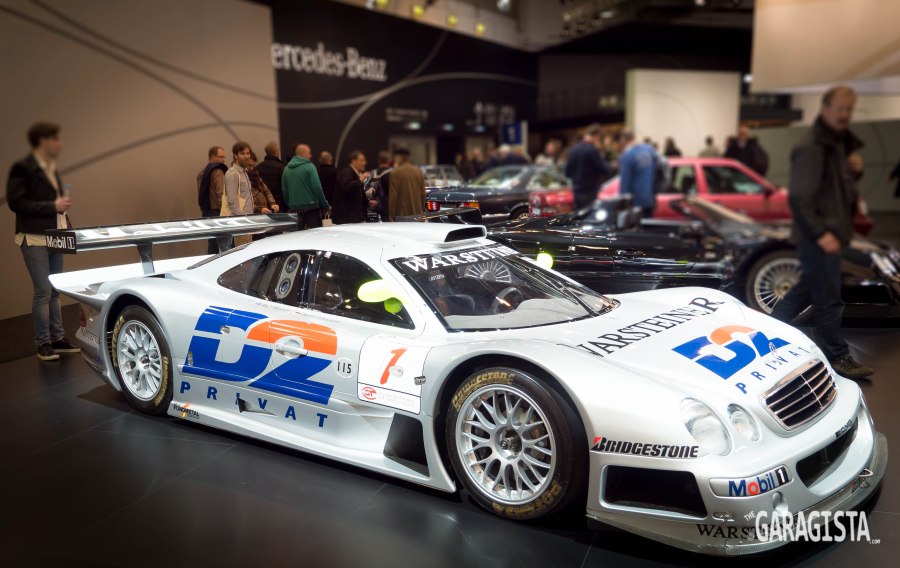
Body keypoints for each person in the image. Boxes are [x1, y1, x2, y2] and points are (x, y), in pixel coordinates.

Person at [770, 86, 873, 380]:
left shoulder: (834, 144)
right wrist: (820, 234)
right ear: (825, 108)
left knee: (805, 290)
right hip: (819, 237)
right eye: (840, 108)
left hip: (829, 235)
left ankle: (768, 332)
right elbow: (799, 197)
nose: (845, 115)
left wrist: (855, 172)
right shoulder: (813, 146)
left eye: (849, 109)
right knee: (829, 298)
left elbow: (834, 189)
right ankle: (837, 356)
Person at [6, 122, 79, 361]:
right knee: (43, 291)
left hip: (56, 235)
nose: (59, 143)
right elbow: (16, 202)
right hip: (34, 237)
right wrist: (52, 205)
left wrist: (64, 217)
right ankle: (43, 343)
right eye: (55, 138)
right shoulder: (22, 168)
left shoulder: (51, 167)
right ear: (42, 141)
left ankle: (58, 338)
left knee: (55, 290)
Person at [282, 144, 329, 230]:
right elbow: (317, 187)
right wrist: (325, 205)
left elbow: (285, 190)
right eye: (309, 153)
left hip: (294, 210)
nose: (311, 156)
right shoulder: (310, 167)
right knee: (316, 235)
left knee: (297, 237)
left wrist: (290, 204)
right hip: (311, 209)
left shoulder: (286, 169)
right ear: (303, 153)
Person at [564, 123, 611, 209]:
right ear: (596, 136)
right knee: (589, 215)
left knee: (579, 215)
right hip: (589, 191)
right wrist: (600, 151)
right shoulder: (592, 150)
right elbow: (604, 169)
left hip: (576, 191)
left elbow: (567, 172)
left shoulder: (574, 149)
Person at [617, 129, 657, 218]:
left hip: (635, 202)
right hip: (649, 199)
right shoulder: (649, 150)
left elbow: (625, 183)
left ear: (623, 140)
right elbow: (656, 170)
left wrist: (622, 204)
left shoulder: (627, 156)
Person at [222, 141, 255, 246]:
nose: (246, 156)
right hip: (242, 222)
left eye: (248, 153)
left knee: (248, 251)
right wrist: (241, 221)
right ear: (235, 155)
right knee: (243, 251)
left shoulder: (244, 172)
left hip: (248, 220)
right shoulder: (232, 173)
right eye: (242, 153)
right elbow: (232, 200)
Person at [196, 145, 227, 254]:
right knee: (224, 243)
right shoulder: (217, 171)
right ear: (213, 156)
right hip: (218, 211)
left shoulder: (202, 173)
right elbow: (221, 193)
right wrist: (226, 212)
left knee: (212, 242)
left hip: (207, 212)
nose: (223, 160)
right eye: (221, 157)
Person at [332, 150, 370, 224]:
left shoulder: (355, 173)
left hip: (352, 217)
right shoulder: (347, 172)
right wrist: (360, 180)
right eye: (362, 160)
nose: (364, 163)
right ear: (353, 161)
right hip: (346, 218)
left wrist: (367, 202)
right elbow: (346, 188)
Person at [388, 148, 426, 220]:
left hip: (402, 214)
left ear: (399, 157)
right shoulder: (418, 171)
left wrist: (391, 214)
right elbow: (423, 193)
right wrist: (422, 209)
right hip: (418, 213)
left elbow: (393, 196)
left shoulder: (395, 172)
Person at [255, 141, 286, 211]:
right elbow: (284, 187)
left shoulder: (258, 167)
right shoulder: (281, 168)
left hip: (264, 206)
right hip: (279, 206)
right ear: (275, 152)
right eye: (278, 151)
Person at [370, 151, 392, 222]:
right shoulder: (391, 173)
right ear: (389, 160)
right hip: (387, 207)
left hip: (373, 206)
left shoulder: (372, 173)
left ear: (378, 161)